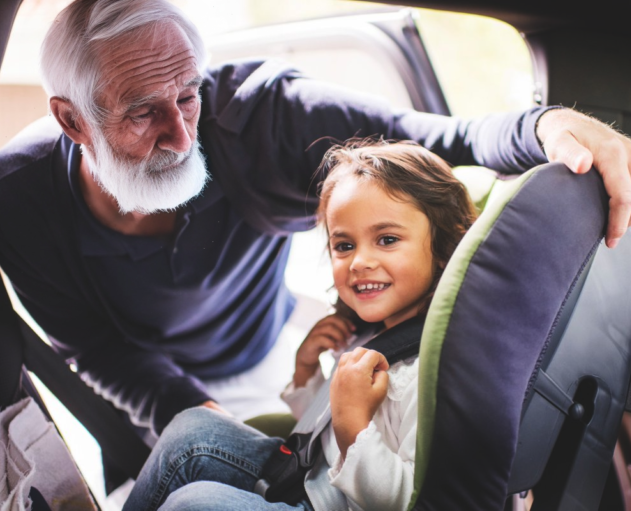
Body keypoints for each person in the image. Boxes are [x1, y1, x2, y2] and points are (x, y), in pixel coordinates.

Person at [0, 0, 631, 438]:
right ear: (71, 118)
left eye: (186, 95)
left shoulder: (262, 116)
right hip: (148, 388)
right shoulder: (17, 197)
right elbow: (95, 349)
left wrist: (551, 124)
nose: (182, 136)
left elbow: (439, 139)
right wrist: (194, 420)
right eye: (140, 113)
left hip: (278, 338)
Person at [122, 139, 477, 511]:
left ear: (444, 245)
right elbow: (322, 431)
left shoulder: (431, 376)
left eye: (386, 240)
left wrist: (354, 428)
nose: (359, 262)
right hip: (312, 477)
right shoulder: (370, 333)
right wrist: (308, 372)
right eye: (344, 246)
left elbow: (405, 500)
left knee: (194, 505)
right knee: (192, 429)